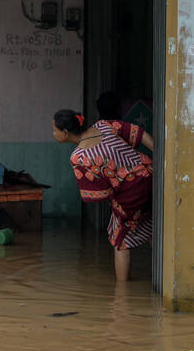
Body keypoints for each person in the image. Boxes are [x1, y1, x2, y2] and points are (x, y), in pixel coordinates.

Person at [52, 109, 155, 281]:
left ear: (65, 133)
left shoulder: (78, 157)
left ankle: (123, 295)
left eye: (54, 130)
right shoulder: (104, 125)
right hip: (152, 176)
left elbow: (99, 194)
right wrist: (161, 154)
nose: (53, 133)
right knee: (152, 224)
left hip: (131, 195)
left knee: (120, 240)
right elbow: (138, 133)